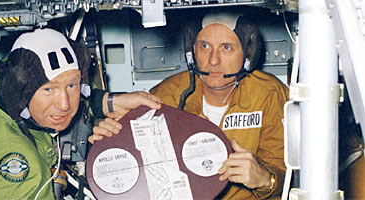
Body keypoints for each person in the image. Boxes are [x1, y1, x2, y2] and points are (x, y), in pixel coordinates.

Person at [0, 28, 161, 199]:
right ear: (20, 88)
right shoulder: (18, 168)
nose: (64, 104)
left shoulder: (10, 72)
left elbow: (63, 85)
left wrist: (109, 101)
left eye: (72, 86)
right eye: (48, 89)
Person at [91, 11, 289, 199]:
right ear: (192, 50)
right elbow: (137, 170)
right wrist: (111, 140)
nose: (213, 60)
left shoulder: (268, 95)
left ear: (248, 53)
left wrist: (265, 179)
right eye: (204, 46)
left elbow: (289, 175)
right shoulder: (167, 95)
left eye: (226, 47)